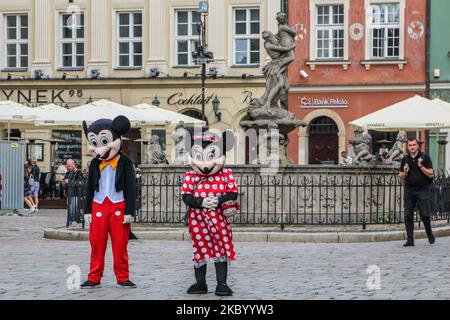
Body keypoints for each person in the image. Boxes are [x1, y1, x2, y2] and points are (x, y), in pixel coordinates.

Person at [80, 116, 137, 289]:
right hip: (98, 205)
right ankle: (94, 277)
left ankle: (123, 277)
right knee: (96, 244)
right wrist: (87, 210)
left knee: (120, 244)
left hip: (118, 204)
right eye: (95, 143)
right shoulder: (94, 163)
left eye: (103, 141)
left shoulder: (125, 162)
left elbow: (131, 188)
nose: (99, 148)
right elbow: (89, 187)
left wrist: (130, 211)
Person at [181, 129, 239, 296]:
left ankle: (222, 283)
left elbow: (232, 192)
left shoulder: (225, 174)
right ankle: (200, 283)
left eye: (211, 156)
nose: (205, 165)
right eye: (199, 157)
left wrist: (218, 201)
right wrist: (201, 202)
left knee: (220, 248)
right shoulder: (191, 176)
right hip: (198, 220)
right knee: (199, 249)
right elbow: (186, 197)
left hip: (219, 219)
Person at [399, 137, 435, 247]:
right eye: (410, 145)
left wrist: (421, 166)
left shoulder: (424, 157)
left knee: (424, 215)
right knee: (408, 215)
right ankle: (410, 239)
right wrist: (405, 172)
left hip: (422, 190)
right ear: (407, 146)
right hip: (409, 190)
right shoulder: (405, 159)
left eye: (414, 145)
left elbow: (431, 173)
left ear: (417, 145)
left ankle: (429, 234)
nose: (412, 147)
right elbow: (400, 175)